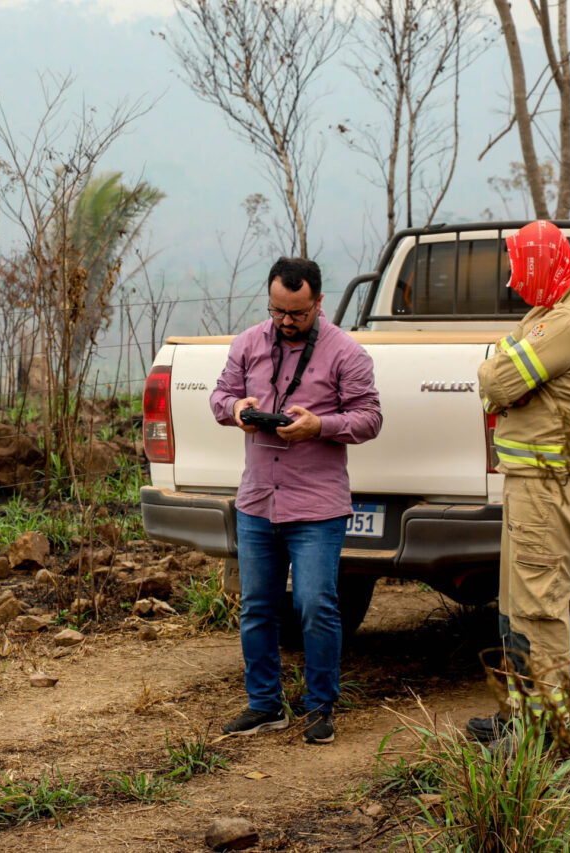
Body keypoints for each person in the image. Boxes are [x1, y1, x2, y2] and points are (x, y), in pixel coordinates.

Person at [210, 257, 382, 744]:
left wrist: (319, 426)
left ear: (319, 302)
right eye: (278, 311)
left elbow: (370, 418)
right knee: (257, 608)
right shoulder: (247, 343)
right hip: (257, 501)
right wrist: (236, 409)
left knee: (315, 606)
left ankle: (320, 708)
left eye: (298, 313)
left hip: (317, 508)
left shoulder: (346, 353)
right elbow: (220, 396)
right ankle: (264, 705)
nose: (286, 321)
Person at [467, 220, 570, 744]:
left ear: (541, 265)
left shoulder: (566, 320)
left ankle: (545, 729)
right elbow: (502, 363)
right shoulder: (552, 307)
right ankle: (520, 711)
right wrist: (505, 374)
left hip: (552, 486)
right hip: (535, 481)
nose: (512, 280)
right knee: (514, 603)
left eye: (518, 268)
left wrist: (502, 378)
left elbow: (496, 377)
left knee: (538, 605)